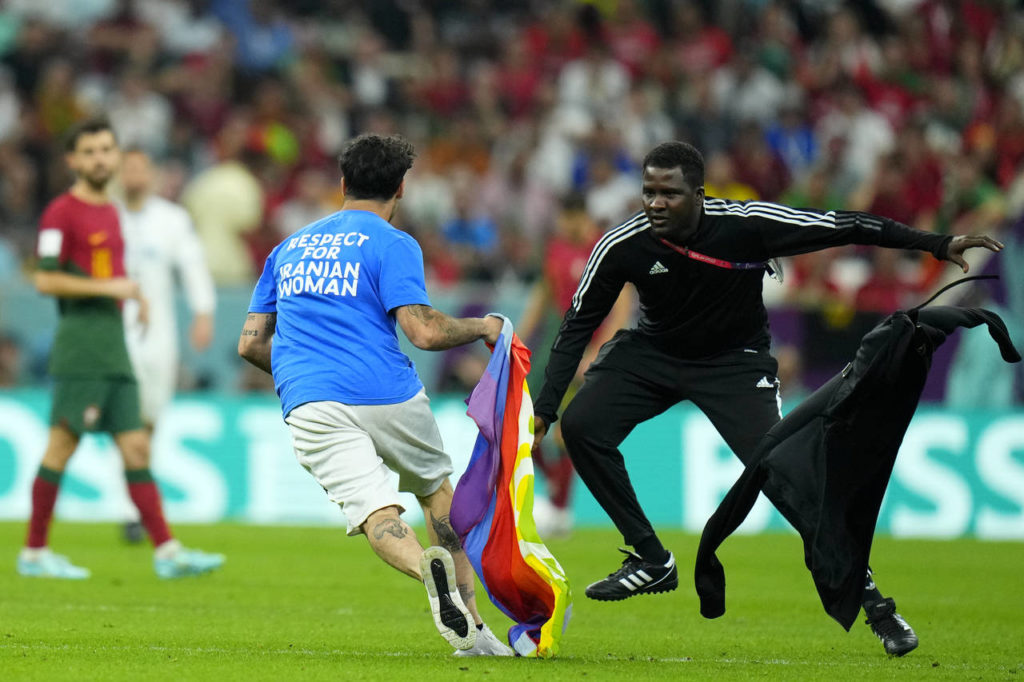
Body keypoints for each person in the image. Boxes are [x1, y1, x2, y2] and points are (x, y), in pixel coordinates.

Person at [531, 141, 1003, 656]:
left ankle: (875, 606)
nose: (656, 203)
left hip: (735, 365)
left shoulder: (748, 225)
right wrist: (545, 410)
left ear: (699, 194)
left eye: (669, 193)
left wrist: (936, 243)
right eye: (649, 192)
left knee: (789, 480)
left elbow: (843, 225)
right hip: (653, 354)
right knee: (582, 426)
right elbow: (575, 326)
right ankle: (651, 558)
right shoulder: (623, 243)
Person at [238, 133, 513, 657]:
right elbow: (423, 331)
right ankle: (476, 631)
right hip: (388, 392)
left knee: (377, 513)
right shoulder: (393, 243)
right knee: (436, 494)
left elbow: (250, 344)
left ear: (343, 182)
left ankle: (424, 569)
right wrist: (482, 326)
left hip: (311, 401)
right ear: (401, 188)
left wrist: (302, 371)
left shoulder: (287, 248)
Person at [18, 118, 225, 580]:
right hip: (84, 348)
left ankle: (167, 552)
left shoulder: (112, 213)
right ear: (72, 160)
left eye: (106, 150)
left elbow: (112, 276)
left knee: (136, 448)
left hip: (116, 347)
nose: (100, 159)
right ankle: (33, 552)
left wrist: (134, 296)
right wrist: (111, 287)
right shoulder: (62, 212)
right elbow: (45, 278)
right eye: (89, 152)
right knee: (60, 447)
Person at [517, 194, 632, 538]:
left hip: (592, 354)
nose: (564, 226)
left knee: (567, 430)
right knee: (525, 424)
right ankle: (557, 493)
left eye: (569, 218)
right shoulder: (555, 251)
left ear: (582, 216)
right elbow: (542, 299)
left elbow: (621, 307)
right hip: (559, 351)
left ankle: (560, 509)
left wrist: (598, 351)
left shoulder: (604, 249)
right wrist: (514, 341)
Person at [117, 147, 217, 543]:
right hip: (115, 331)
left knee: (150, 419)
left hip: (159, 334)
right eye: (127, 169)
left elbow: (192, 265)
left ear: (152, 175)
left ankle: (136, 500)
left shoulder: (171, 219)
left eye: (140, 169)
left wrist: (203, 311)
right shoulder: (107, 215)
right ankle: (131, 509)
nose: (134, 176)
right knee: (126, 418)